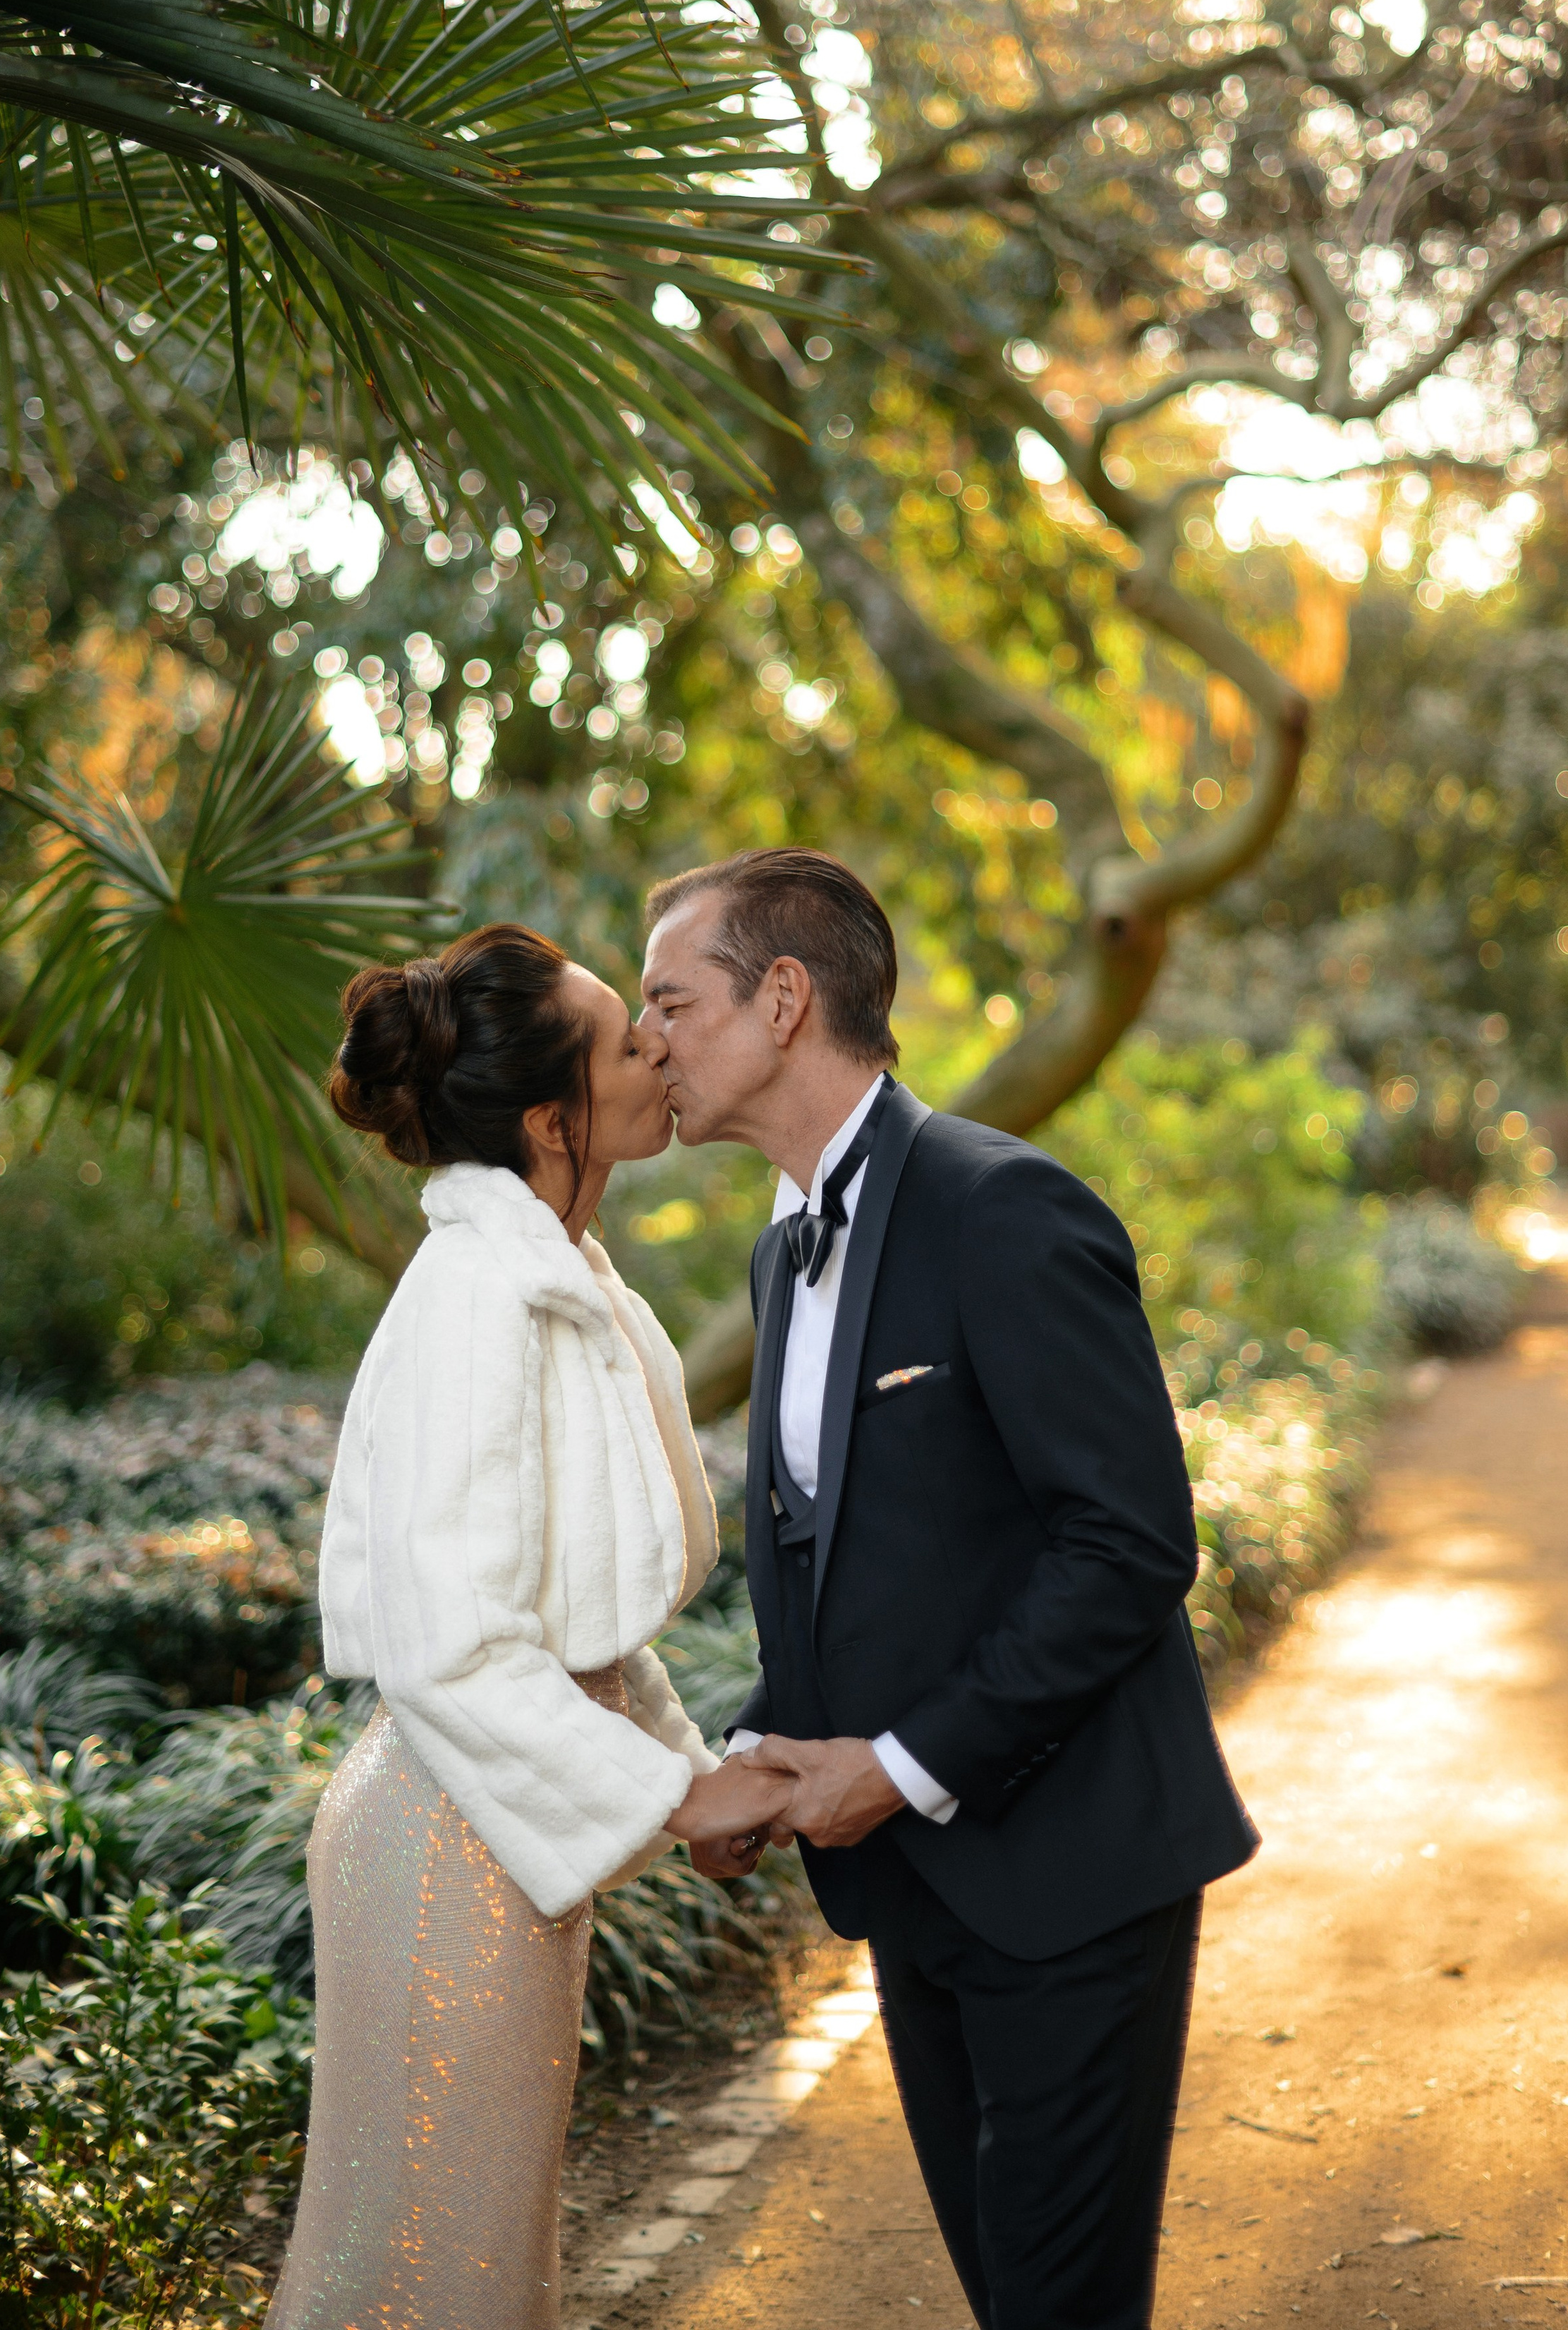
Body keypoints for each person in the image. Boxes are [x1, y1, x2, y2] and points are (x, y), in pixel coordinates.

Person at [638, 851, 1260, 2330]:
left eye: (670, 999)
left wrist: (902, 1767)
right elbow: (853, 1570)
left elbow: (1124, 1544)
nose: (647, 1037)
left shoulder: (1005, 1208)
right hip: (909, 1886)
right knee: (1009, 2295)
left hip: (1072, 1878)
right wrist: (759, 1756)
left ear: (781, 998)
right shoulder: (777, 1256)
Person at [266, 923, 789, 2330]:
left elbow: (579, 1624)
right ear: (555, 1112)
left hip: (497, 1834)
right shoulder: (479, 1299)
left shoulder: (568, 1282)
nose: (659, 1049)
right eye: (628, 1038)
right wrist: (678, 1793)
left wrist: (693, 1776)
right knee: (434, 2280)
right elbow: (451, 1642)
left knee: (478, 2268)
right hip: (443, 1846)